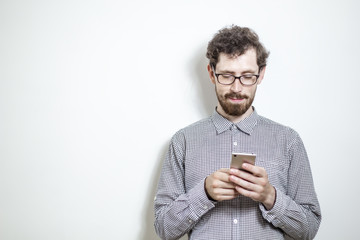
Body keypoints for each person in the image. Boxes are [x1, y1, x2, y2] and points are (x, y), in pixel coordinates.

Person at [154, 25, 321, 240]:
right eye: (227, 75)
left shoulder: (288, 141)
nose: (236, 88)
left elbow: (309, 229)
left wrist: (270, 196)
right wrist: (203, 194)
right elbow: (163, 229)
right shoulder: (183, 141)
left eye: (247, 76)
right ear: (211, 74)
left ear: (261, 74)